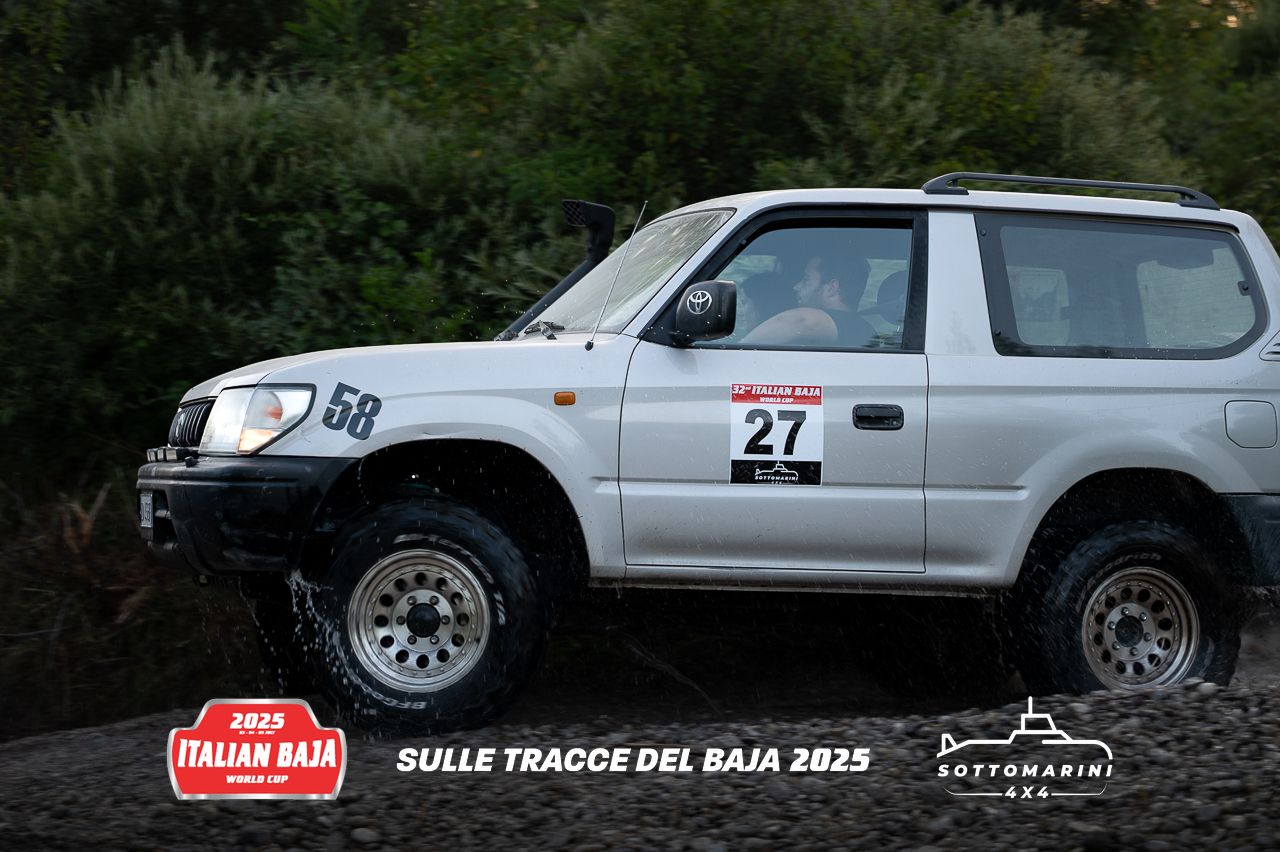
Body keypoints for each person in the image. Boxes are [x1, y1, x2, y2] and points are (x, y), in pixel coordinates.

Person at [740, 245, 877, 347]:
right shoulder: (852, 329)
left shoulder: (851, 325)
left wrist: (741, 348)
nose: (796, 286)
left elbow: (802, 321)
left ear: (832, 288)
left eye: (806, 280)